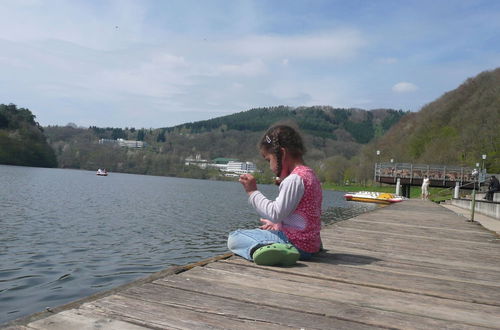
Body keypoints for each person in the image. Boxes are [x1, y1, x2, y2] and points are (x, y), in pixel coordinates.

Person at [227, 124, 323, 266]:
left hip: (295, 243)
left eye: (268, 160)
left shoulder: (294, 179)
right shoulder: (310, 175)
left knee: (235, 237)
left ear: (282, 154)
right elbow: (299, 213)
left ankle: (266, 250)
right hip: (310, 244)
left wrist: (252, 191)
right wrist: (277, 224)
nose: (269, 166)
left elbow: (275, 212)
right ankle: (286, 248)